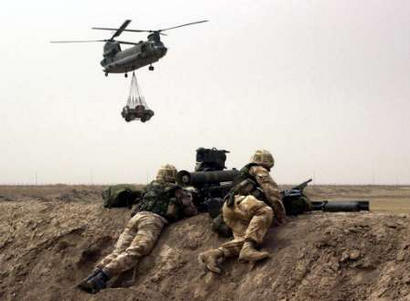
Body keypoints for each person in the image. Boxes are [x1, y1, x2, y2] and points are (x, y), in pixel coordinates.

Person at [78, 164, 198, 294]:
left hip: (136, 218)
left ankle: (92, 276)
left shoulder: (149, 187)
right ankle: (102, 278)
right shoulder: (175, 189)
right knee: (135, 251)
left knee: (118, 251)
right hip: (151, 221)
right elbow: (190, 210)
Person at [198, 150, 286, 274]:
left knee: (250, 236)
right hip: (240, 202)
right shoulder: (258, 169)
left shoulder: (245, 172)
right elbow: (272, 193)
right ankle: (247, 250)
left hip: (230, 208)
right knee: (265, 211)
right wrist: (281, 216)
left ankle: (214, 254)